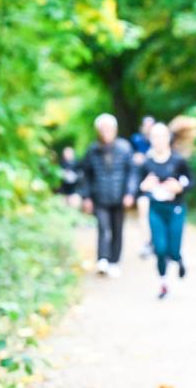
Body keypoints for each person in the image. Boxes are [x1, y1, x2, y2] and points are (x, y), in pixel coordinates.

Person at [133, 122, 194, 299]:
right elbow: (136, 187)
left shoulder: (178, 161)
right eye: (154, 137)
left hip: (175, 209)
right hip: (156, 210)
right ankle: (163, 284)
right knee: (159, 249)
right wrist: (144, 186)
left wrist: (179, 187)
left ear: (168, 138)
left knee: (173, 250)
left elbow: (191, 181)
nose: (158, 140)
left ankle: (179, 259)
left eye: (162, 136)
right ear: (150, 140)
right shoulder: (146, 163)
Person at [78, 113, 136, 278]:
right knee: (103, 228)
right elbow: (85, 176)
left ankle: (114, 261)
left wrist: (130, 193)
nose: (106, 131)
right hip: (100, 198)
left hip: (119, 198)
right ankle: (102, 259)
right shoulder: (92, 151)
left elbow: (132, 173)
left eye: (109, 128)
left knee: (117, 230)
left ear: (115, 130)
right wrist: (86, 197)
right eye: (103, 128)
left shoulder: (125, 148)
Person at [132, 116, 156, 259]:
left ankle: (156, 242)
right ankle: (147, 243)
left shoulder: (161, 142)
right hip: (143, 185)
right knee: (144, 214)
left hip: (159, 187)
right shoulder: (136, 140)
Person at [57, 146, 82, 210]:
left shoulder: (78, 164)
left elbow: (81, 178)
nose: (67, 155)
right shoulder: (60, 165)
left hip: (74, 192)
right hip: (63, 192)